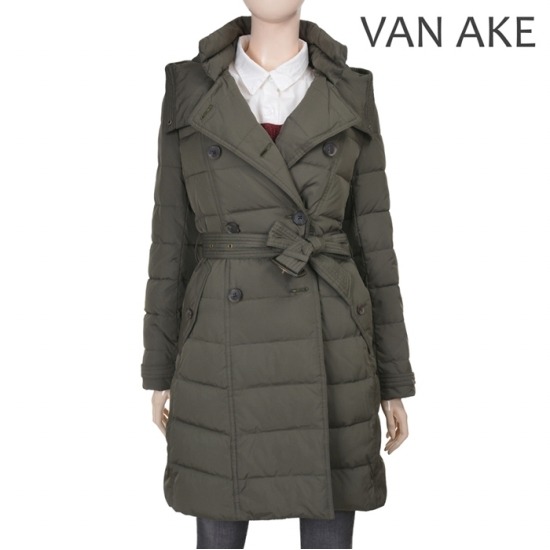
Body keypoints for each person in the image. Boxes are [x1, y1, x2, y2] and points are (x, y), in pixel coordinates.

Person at [141, 1, 416, 548]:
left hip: (331, 335)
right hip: (218, 342)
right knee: (218, 518)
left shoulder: (351, 90)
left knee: (328, 524)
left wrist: (393, 380)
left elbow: (374, 244)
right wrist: (160, 367)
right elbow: (171, 236)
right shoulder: (189, 88)